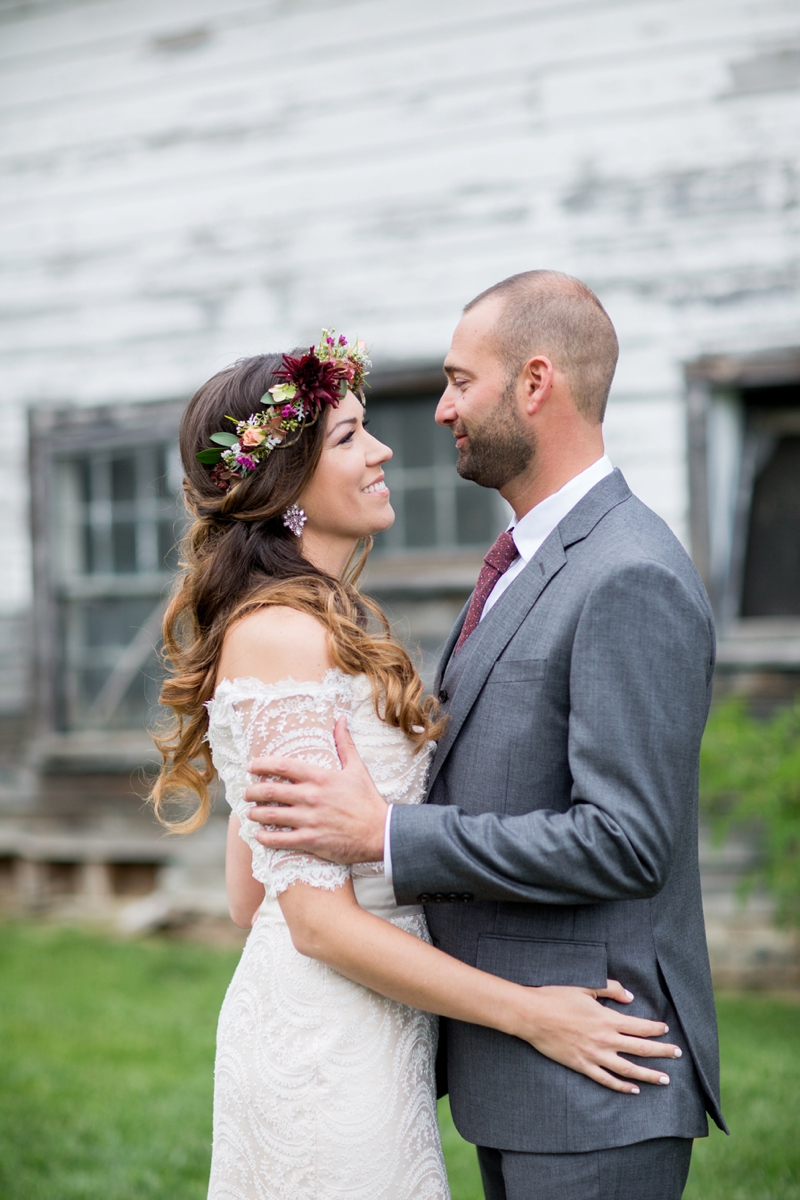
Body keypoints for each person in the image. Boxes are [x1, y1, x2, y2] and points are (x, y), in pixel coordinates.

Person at [149, 328, 681, 1200]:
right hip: (327, 1043)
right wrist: (534, 1013)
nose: (384, 448)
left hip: (364, 1023)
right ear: (283, 481)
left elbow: (254, 895)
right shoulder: (284, 634)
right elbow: (312, 922)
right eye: (350, 435)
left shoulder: (320, 622)